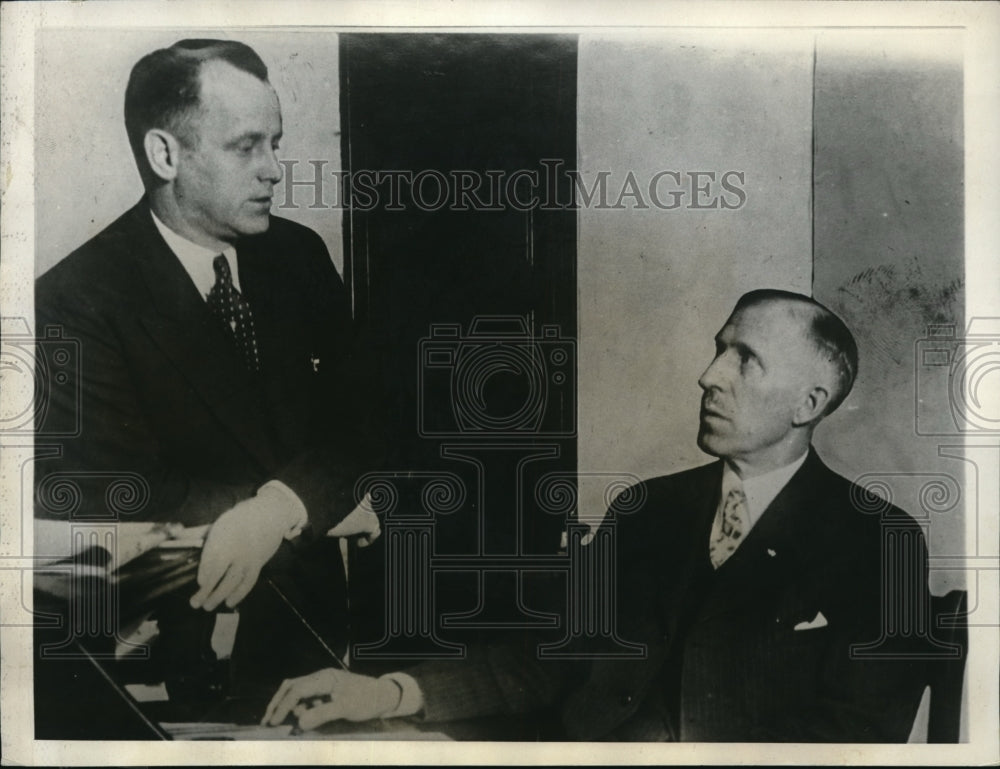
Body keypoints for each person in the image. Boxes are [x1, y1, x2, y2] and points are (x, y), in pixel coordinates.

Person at [261, 289, 931, 741]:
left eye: (743, 359)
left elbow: (855, 740)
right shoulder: (649, 510)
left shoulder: (877, 542)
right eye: (718, 347)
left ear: (808, 401)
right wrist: (384, 693)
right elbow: (548, 657)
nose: (708, 374)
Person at [34, 39, 384, 690]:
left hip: (322, 635)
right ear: (165, 154)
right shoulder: (75, 299)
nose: (274, 170)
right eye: (246, 146)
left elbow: (363, 417)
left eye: (275, 143)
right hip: (179, 653)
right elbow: (126, 486)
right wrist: (312, 503)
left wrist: (281, 505)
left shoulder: (299, 256)